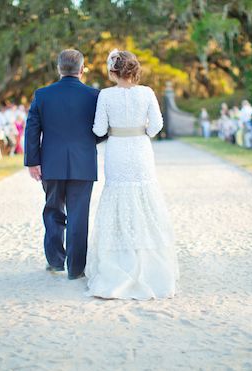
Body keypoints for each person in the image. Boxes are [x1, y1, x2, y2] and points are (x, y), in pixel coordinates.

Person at [86, 49, 178, 300]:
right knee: (143, 196)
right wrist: (142, 131)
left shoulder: (105, 95)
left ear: (114, 71)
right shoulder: (147, 93)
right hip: (140, 150)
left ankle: (119, 257)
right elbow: (157, 126)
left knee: (118, 196)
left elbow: (99, 128)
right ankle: (147, 256)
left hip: (116, 150)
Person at [24, 49, 105, 280]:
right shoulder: (95, 96)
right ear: (82, 69)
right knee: (79, 216)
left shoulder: (42, 95)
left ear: (59, 68)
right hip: (83, 163)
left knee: (52, 211)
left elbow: (32, 129)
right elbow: (102, 129)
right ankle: (76, 268)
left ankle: (55, 261)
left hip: (51, 163)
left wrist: (33, 161)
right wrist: (88, 142)